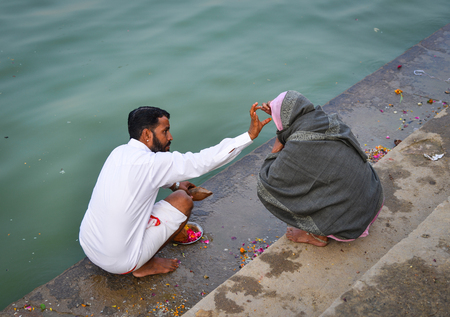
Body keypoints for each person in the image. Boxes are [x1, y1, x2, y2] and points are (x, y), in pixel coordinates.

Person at [79, 103, 270, 277]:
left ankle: (164, 234)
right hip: (120, 262)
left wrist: (176, 184)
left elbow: (147, 176)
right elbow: (203, 161)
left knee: (177, 191)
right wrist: (249, 136)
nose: (170, 137)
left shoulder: (118, 153)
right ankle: (143, 265)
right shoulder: (152, 163)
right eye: (165, 131)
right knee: (183, 200)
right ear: (147, 134)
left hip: (89, 244)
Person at [257, 90, 384, 247]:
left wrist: (276, 145)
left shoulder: (299, 145)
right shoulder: (326, 121)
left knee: (272, 187)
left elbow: (269, 179)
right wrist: (280, 117)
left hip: (351, 225)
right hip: (373, 199)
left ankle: (316, 236)